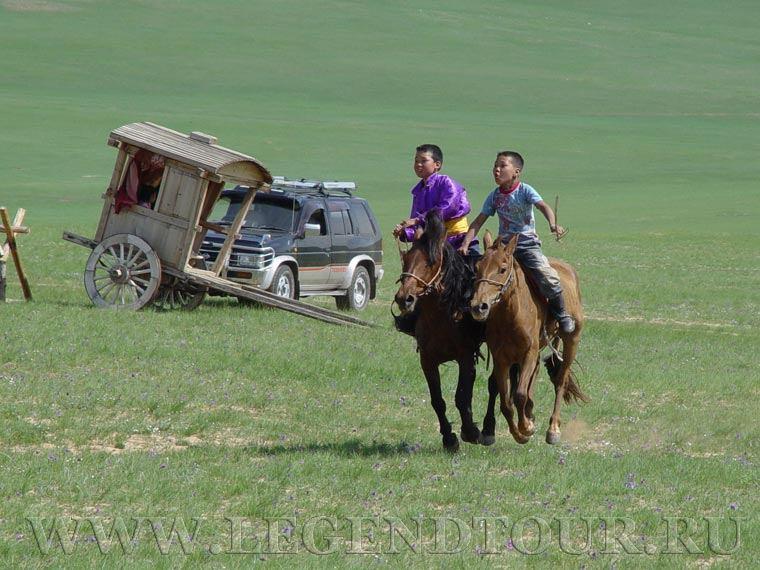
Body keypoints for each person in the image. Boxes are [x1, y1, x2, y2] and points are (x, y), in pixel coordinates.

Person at [459, 151, 576, 333]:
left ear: (516, 171)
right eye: (495, 166)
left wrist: (553, 224)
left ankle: (562, 315)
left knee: (548, 276)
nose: (496, 170)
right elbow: (478, 221)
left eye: (502, 166)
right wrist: (466, 243)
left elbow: (543, 206)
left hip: (527, 244)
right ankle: (473, 309)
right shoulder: (494, 196)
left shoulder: (525, 190)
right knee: (481, 274)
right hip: (503, 248)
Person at [393, 144, 477, 254]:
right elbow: (418, 227)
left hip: (458, 240)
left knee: (474, 269)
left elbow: (448, 207)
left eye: (423, 161)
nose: (418, 164)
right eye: (416, 161)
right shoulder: (418, 191)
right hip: (434, 245)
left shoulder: (446, 183)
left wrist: (418, 219)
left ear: (437, 164)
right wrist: (404, 232)